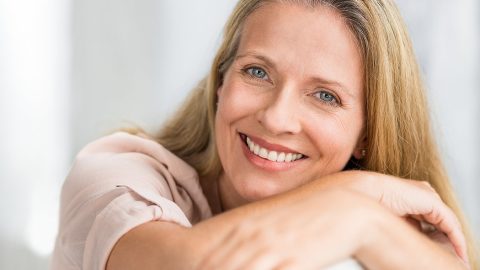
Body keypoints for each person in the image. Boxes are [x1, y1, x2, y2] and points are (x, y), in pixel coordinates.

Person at [51, 0, 478, 269]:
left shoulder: (379, 227)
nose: (276, 119)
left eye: (325, 96)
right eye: (257, 71)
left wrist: (362, 222)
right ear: (221, 81)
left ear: (368, 133)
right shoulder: (115, 179)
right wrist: (355, 209)